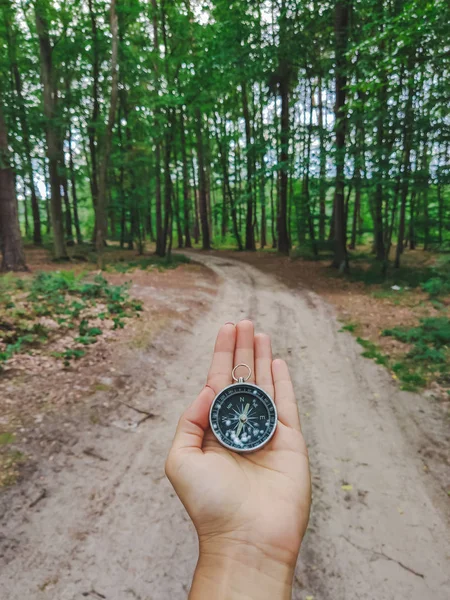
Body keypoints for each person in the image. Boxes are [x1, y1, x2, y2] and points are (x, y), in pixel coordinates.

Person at [166, 320, 312, 599]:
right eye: (241, 415)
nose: (244, 418)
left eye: (247, 415)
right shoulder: (242, 414)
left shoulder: (246, 412)